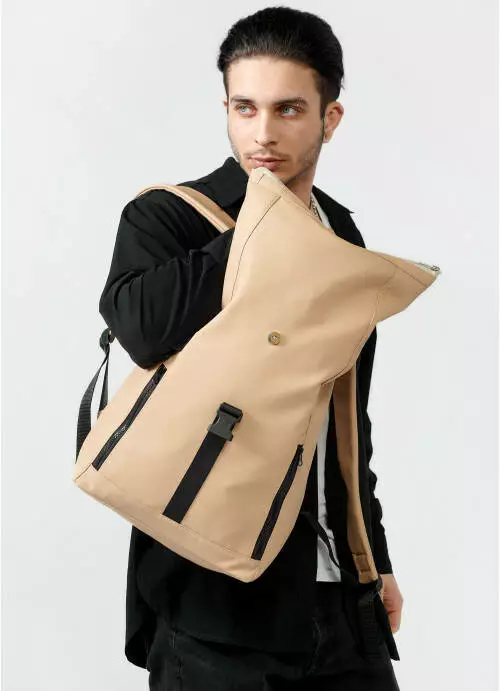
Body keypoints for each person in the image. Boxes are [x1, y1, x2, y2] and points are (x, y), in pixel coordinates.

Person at [98, 7, 404, 689]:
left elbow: (344, 422)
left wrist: (374, 560)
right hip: (214, 604)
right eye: (245, 107)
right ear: (227, 111)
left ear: (329, 119)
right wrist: (264, 223)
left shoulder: (341, 235)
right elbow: (143, 329)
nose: (263, 133)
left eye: (289, 109)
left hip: (340, 597)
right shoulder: (169, 217)